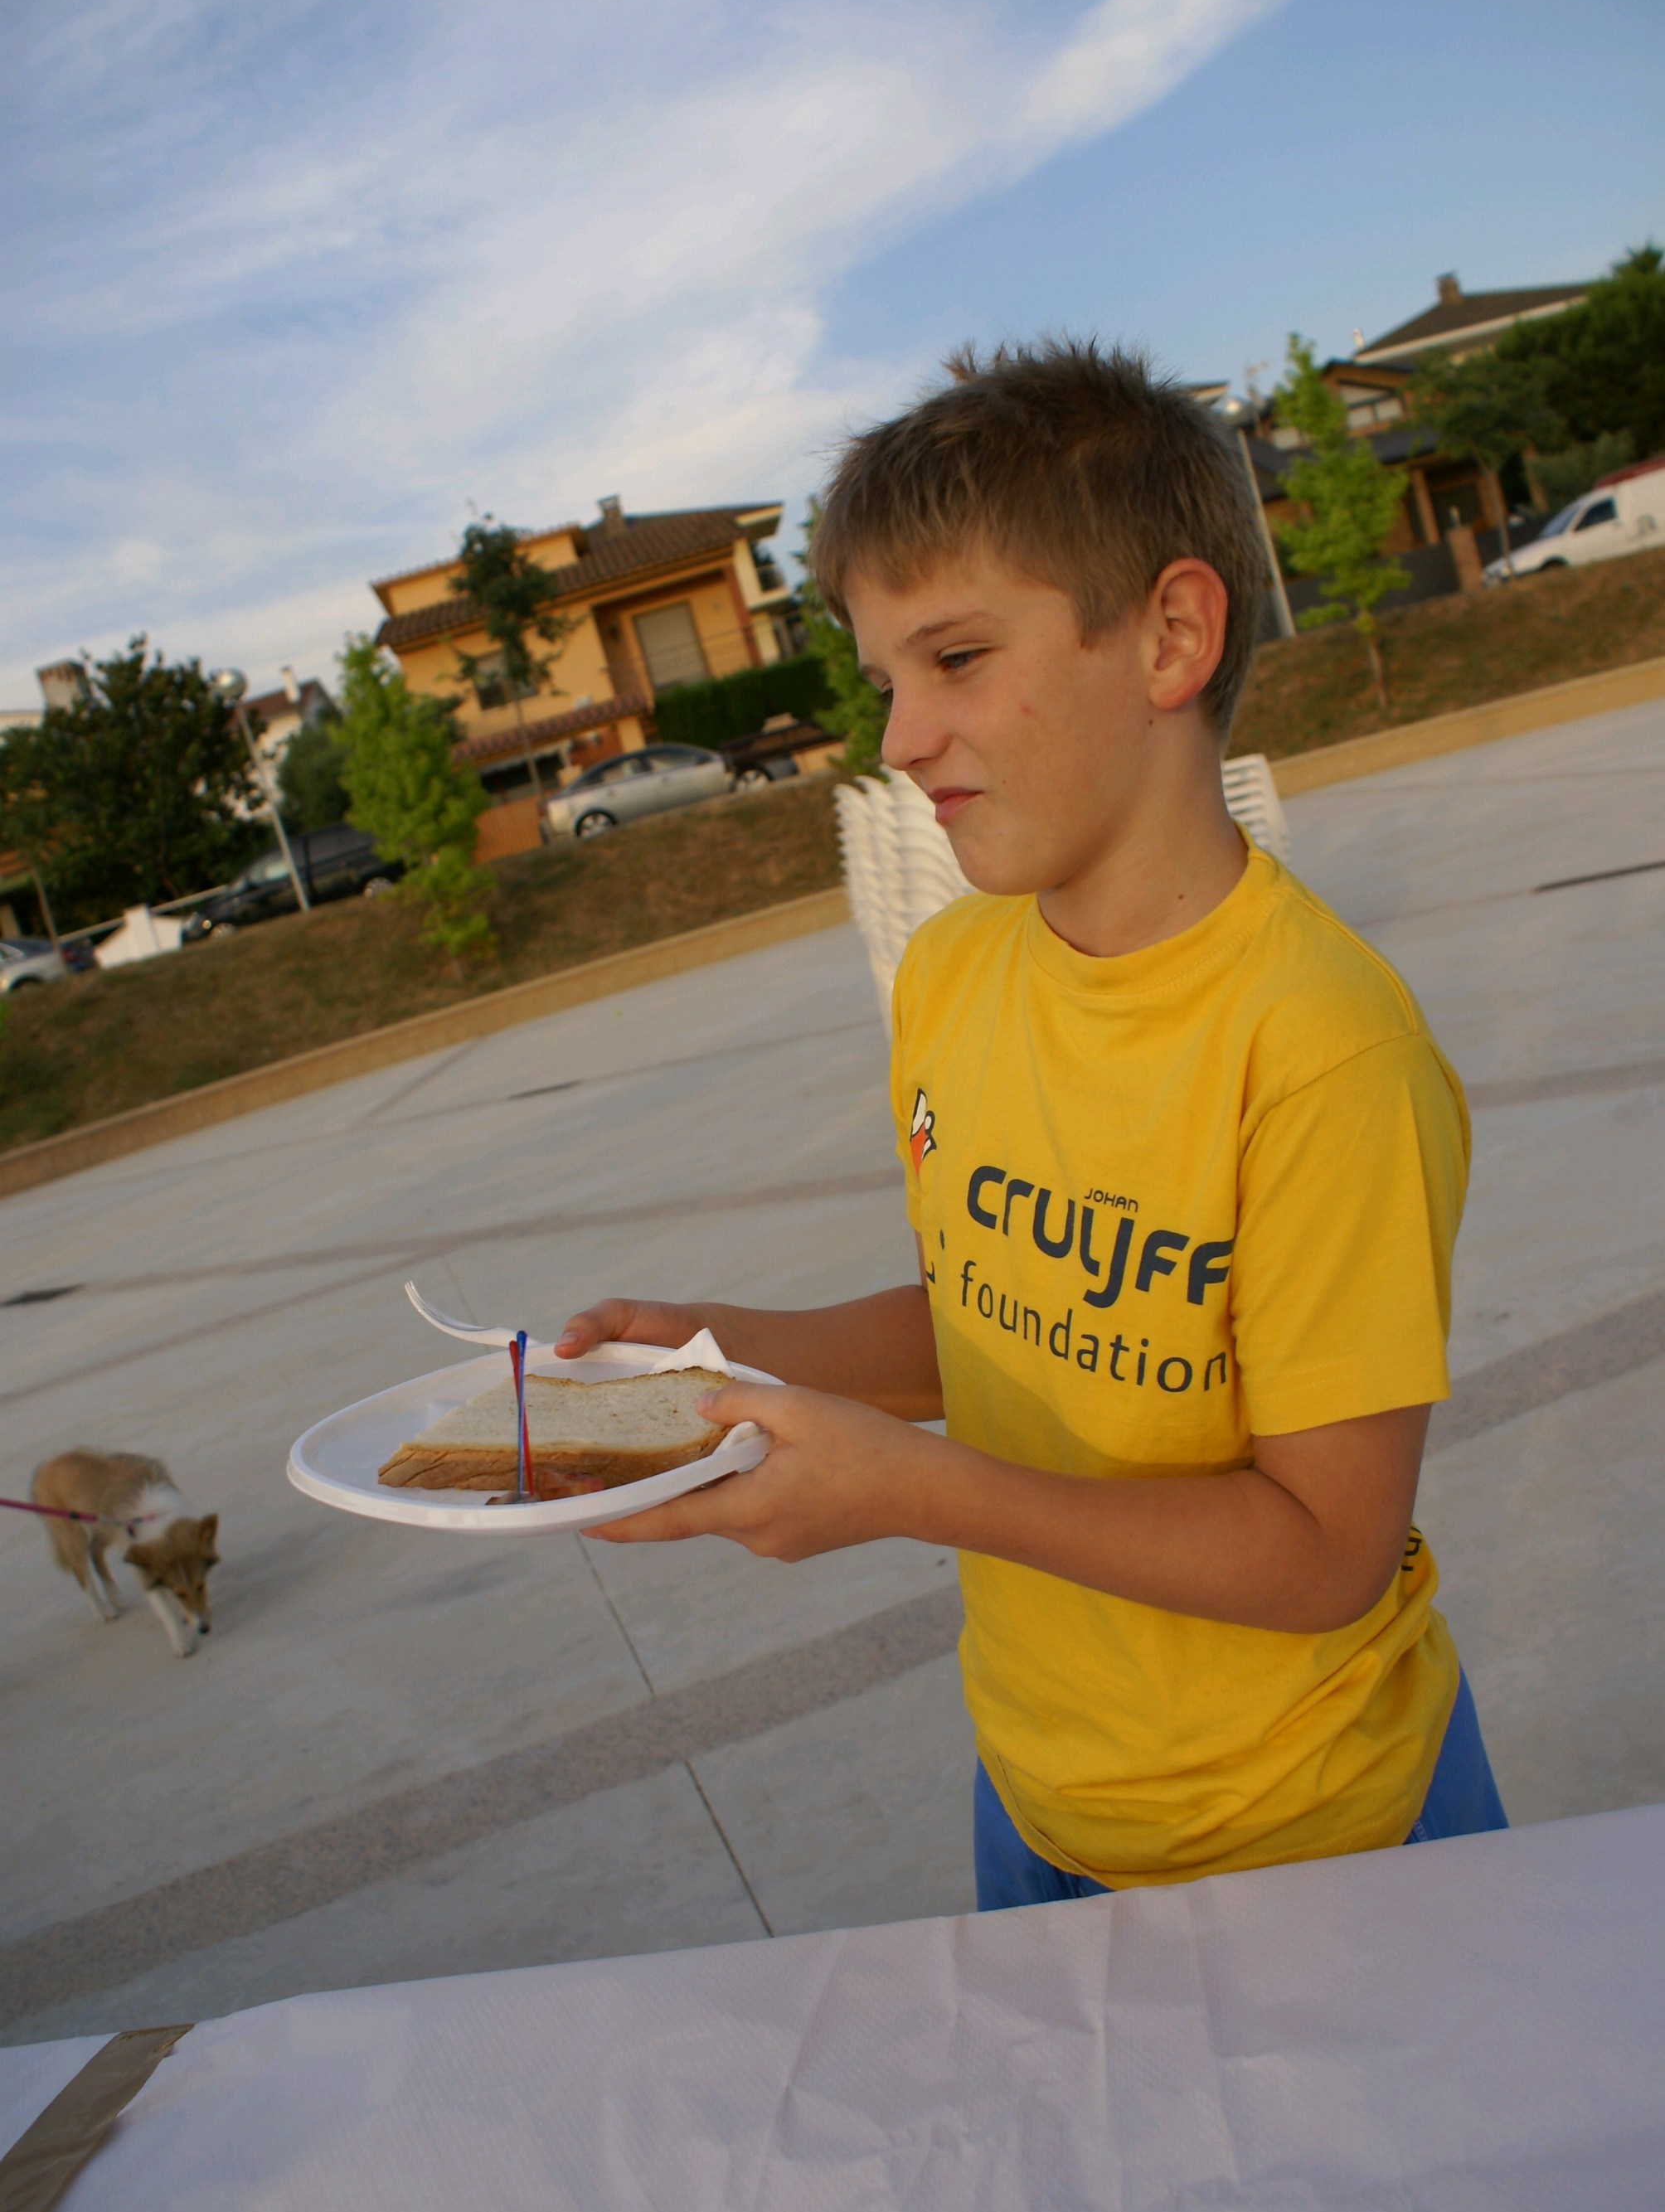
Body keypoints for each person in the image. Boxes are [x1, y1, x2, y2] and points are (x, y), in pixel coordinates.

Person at [561, 337, 1507, 1908]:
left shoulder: (1322, 1048)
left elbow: (1327, 1552)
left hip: (1316, 1838)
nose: (897, 740)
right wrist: (718, 1358)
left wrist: (908, 1492)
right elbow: (1001, 1323)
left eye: (955, 659)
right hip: (1038, 1795)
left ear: (1171, 637)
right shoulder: (952, 973)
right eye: (886, 684)